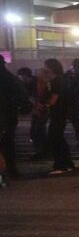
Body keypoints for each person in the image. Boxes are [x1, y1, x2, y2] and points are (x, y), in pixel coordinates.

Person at [43, 58, 75, 175]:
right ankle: (67, 163)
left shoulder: (57, 81)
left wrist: (44, 105)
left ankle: (61, 164)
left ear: (51, 68)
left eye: (45, 66)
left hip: (58, 113)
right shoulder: (60, 80)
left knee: (55, 138)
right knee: (59, 138)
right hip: (61, 113)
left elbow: (53, 100)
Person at [0, 56, 28, 184]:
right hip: (9, 116)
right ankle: (10, 169)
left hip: (5, 115)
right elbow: (22, 98)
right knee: (8, 144)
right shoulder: (12, 79)